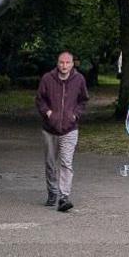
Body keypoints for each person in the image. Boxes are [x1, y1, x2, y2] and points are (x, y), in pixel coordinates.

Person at [36, 51, 89, 212]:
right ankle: (52, 193)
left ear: (73, 64)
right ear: (57, 63)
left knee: (66, 162)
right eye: (61, 62)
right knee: (51, 163)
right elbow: (40, 99)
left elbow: (83, 100)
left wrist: (75, 115)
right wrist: (48, 113)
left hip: (70, 129)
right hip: (49, 129)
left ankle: (64, 197)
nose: (64, 65)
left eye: (67, 62)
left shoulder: (79, 79)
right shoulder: (47, 78)